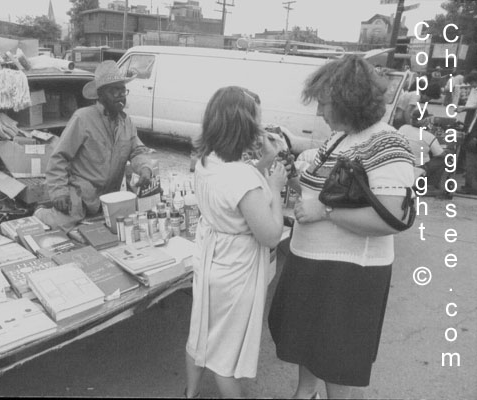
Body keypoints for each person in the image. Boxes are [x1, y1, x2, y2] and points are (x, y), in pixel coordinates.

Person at [267, 55, 415, 399]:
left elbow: (394, 218)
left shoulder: (387, 142)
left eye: (324, 103)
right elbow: (323, 185)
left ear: (349, 101)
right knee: (309, 347)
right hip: (315, 266)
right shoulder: (341, 137)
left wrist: (325, 211)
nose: (319, 111)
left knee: (338, 362)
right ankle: (305, 394)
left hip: (347, 275)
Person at [185, 86, 287, 398]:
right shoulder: (243, 178)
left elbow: (235, 190)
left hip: (210, 257)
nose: (261, 126)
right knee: (226, 356)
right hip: (235, 269)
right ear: (244, 126)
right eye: (257, 120)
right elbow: (270, 234)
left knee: (200, 334)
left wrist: (265, 162)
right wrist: (276, 188)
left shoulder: (206, 162)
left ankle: (188, 393)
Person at [34, 60, 154, 232]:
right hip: (81, 193)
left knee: (126, 225)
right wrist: (59, 191)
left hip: (109, 197)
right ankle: (40, 211)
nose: (121, 95)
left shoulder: (126, 122)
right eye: (114, 91)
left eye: (123, 90)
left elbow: (138, 150)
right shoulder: (82, 118)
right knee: (61, 223)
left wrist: (144, 168)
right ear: (100, 95)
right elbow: (59, 157)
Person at [398, 109, 447, 190]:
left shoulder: (403, 128)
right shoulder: (429, 136)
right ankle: (430, 184)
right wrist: (447, 152)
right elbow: (439, 154)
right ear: (426, 120)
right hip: (419, 166)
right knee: (443, 159)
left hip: (402, 163)